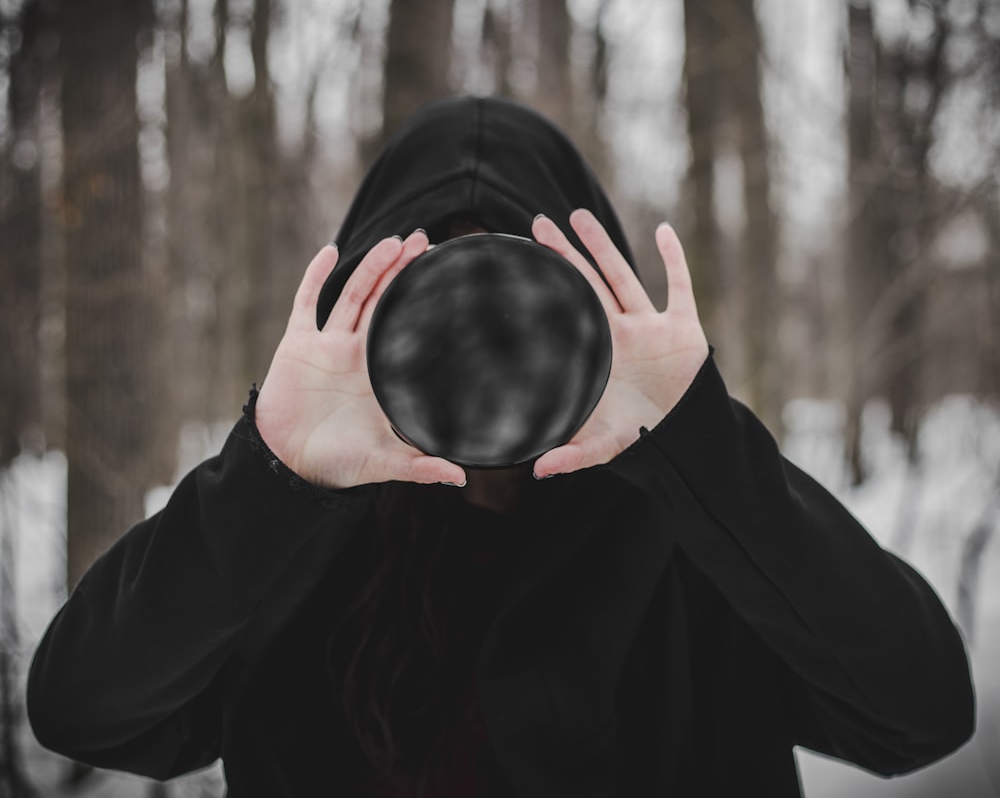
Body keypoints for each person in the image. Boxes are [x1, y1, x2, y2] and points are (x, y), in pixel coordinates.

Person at [27, 96, 974, 797]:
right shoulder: (290, 545)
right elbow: (83, 705)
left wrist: (698, 443)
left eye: (518, 302)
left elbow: (919, 713)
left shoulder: (692, 530)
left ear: (593, 309)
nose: (479, 350)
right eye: (434, 308)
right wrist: (271, 475)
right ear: (366, 309)